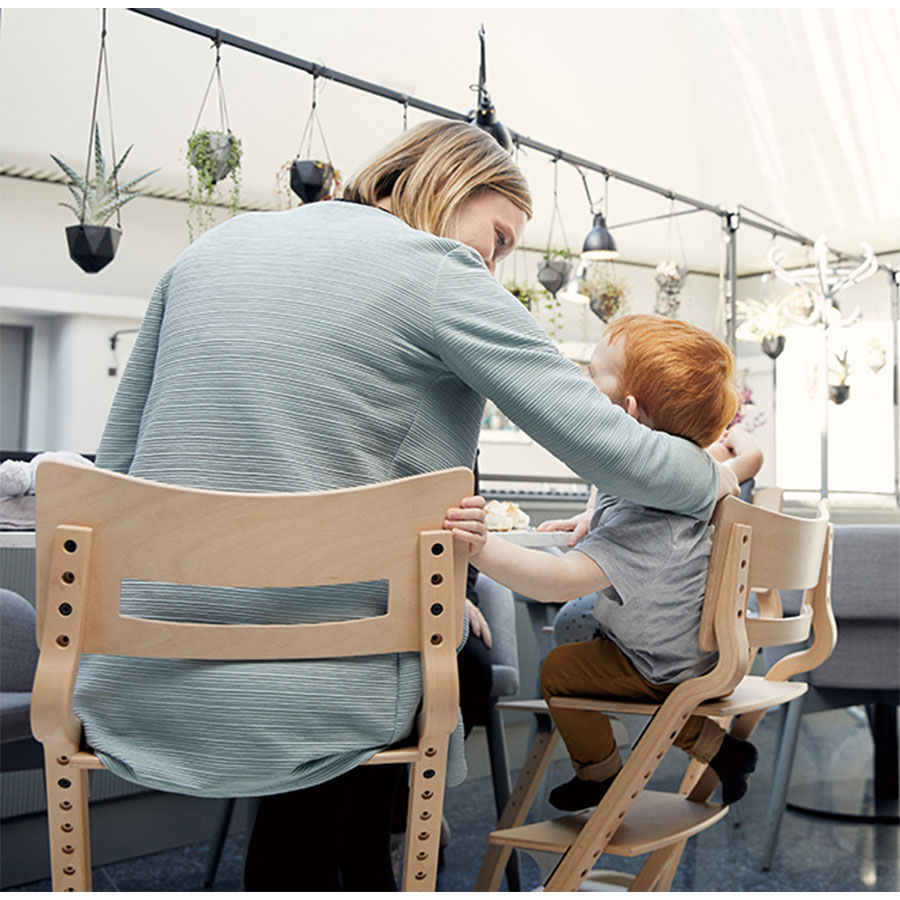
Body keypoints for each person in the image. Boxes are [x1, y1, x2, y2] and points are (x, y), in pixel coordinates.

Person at [77, 122, 737, 890]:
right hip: (330, 688)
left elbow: (115, 463)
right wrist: (719, 476)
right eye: (496, 238)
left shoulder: (205, 252)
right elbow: (615, 451)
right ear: (448, 182)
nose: (491, 267)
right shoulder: (439, 271)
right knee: (451, 652)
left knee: (440, 636)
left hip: (137, 673)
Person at [444, 315, 763, 815]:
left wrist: (478, 548)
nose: (581, 383)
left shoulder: (650, 517)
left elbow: (559, 582)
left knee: (562, 669)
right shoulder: (690, 476)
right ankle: (725, 751)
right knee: (656, 697)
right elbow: (735, 464)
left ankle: (600, 773)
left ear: (628, 415)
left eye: (592, 374)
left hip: (660, 662)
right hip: (684, 649)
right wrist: (592, 518)